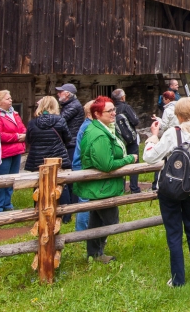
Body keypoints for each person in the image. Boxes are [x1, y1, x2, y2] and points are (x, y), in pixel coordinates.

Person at [144, 97, 190, 286]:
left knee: (174, 232)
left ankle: (178, 279)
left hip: (171, 189)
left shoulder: (172, 133)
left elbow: (150, 157)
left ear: (179, 115)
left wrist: (152, 139)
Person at [73, 96, 137, 264]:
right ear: (97, 113)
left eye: (114, 110)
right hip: (102, 186)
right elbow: (106, 164)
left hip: (102, 186)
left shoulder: (102, 129)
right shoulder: (99, 135)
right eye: (110, 111)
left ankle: (95, 253)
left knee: (97, 219)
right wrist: (129, 159)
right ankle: (97, 252)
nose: (114, 113)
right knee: (110, 220)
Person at [24, 96, 72, 214]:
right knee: (61, 183)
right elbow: (68, 138)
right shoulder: (60, 120)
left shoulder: (32, 122)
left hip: (38, 159)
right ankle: (64, 213)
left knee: (38, 185)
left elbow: (28, 140)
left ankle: (39, 211)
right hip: (57, 157)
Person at [0, 90, 26, 212]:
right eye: (7, 99)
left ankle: (7, 204)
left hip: (16, 150)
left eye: (10, 98)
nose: (10, 100)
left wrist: (24, 135)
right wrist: (16, 137)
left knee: (11, 180)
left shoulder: (13, 113)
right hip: (4, 152)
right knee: (1, 180)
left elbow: (22, 128)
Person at [56, 83, 84, 216]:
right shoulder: (69, 105)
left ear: (67, 94)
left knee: (72, 173)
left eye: (60, 92)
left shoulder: (74, 106)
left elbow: (60, 120)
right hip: (69, 142)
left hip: (71, 143)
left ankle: (74, 203)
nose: (58, 94)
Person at [111, 89, 142, 194]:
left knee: (121, 162)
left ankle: (121, 187)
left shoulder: (112, 109)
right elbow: (135, 121)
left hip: (119, 140)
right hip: (130, 139)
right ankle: (134, 188)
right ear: (123, 97)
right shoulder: (126, 107)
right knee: (134, 161)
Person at [72, 101, 94, 232]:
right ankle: (81, 231)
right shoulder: (88, 127)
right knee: (85, 199)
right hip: (83, 166)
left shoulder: (87, 125)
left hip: (81, 164)